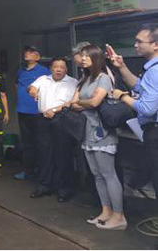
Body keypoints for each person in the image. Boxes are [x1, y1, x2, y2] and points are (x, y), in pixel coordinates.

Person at [70, 44, 126, 230]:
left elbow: (95, 102)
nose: (83, 59)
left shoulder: (103, 78)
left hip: (102, 134)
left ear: (96, 58)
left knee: (109, 174)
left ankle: (119, 216)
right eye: (82, 56)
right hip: (87, 132)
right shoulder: (84, 80)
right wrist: (84, 102)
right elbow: (73, 104)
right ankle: (106, 211)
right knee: (97, 175)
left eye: (87, 56)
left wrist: (83, 102)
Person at [109, 23, 158, 199]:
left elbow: (147, 108)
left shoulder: (154, 71)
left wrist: (122, 97)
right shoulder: (152, 70)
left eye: (139, 41)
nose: (135, 45)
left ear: (155, 45)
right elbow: (139, 87)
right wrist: (121, 66)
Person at [27, 57, 78, 201]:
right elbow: (32, 87)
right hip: (43, 120)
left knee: (63, 154)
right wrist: (33, 90)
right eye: (56, 67)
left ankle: (64, 189)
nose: (58, 70)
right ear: (51, 68)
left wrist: (55, 110)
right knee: (44, 153)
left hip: (62, 119)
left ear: (66, 69)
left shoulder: (73, 82)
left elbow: (73, 102)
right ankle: (44, 186)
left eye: (62, 67)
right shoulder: (43, 79)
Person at [14, 46, 50, 180]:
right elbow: (16, 85)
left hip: (37, 112)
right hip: (23, 111)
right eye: (26, 52)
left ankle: (41, 171)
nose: (27, 54)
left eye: (30, 52)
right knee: (26, 142)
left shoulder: (44, 71)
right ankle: (28, 171)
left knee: (40, 142)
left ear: (37, 57)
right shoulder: (20, 71)